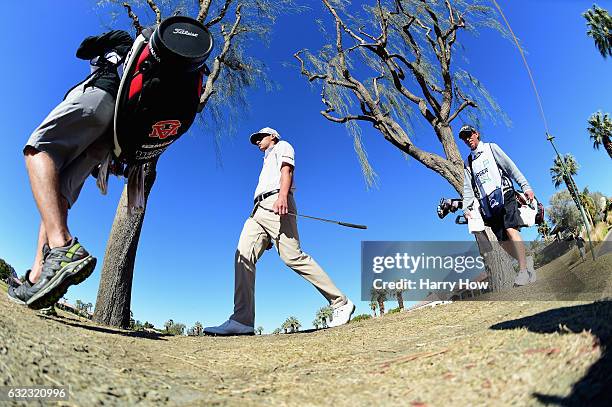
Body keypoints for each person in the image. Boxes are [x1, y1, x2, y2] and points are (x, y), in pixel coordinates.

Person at [8, 30, 133, 309]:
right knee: (58, 195)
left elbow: (83, 48)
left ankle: (63, 247)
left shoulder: (121, 46)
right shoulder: (130, 66)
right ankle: (39, 277)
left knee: (37, 149)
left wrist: (99, 50)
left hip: (98, 99)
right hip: (107, 132)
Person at [204, 127, 355, 335]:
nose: (257, 141)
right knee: (243, 256)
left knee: (292, 256)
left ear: (272, 136)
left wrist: (283, 196)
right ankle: (242, 320)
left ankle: (340, 302)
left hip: (277, 202)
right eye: (256, 139)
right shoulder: (265, 160)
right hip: (257, 211)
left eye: (260, 137)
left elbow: (287, 170)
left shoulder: (283, 146)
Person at [460, 125, 537, 286]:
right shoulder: (468, 162)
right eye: (464, 137)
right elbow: (468, 187)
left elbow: (511, 167)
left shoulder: (491, 148)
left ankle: (522, 272)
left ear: (476, 134)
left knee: (511, 229)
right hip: (487, 203)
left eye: (469, 135)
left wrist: (525, 186)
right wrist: (466, 208)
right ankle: (526, 260)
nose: (467, 139)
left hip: (505, 192)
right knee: (502, 241)